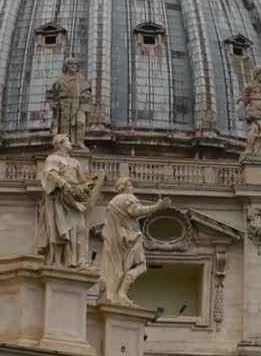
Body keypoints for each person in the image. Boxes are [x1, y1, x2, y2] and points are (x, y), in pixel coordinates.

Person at [99, 177, 173, 304]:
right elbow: (137, 211)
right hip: (130, 238)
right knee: (141, 266)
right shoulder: (128, 198)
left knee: (119, 268)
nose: (132, 187)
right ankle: (122, 292)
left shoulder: (112, 202)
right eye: (130, 184)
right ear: (125, 187)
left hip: (116, 239)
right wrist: (157, 206)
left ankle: (116, 293)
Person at [38, 135, 102, 267]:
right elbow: (50, 174)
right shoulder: (53, 159)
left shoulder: (74, 162)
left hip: (73, 196)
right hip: (61, 199)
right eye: (67, 141)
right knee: (65, 231)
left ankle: (79, 261)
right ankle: (65, 262)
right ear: (61, 143)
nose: (70, 143)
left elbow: (82, 180)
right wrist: (63, 184)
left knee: (81, 229)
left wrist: (94, 180)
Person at [47, 58, 92, 148]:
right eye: (70, 63)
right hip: (64, 105)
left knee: (80, 123)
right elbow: (52, 95)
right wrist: (55, 103)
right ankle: (64, 145)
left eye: (75, 64)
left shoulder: (81, 80)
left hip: (78, 104)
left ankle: (79, 142)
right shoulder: (59, 81)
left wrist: (85, 96)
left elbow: (87, 93)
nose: (73, 65)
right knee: (64, 126)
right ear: (66, 66)